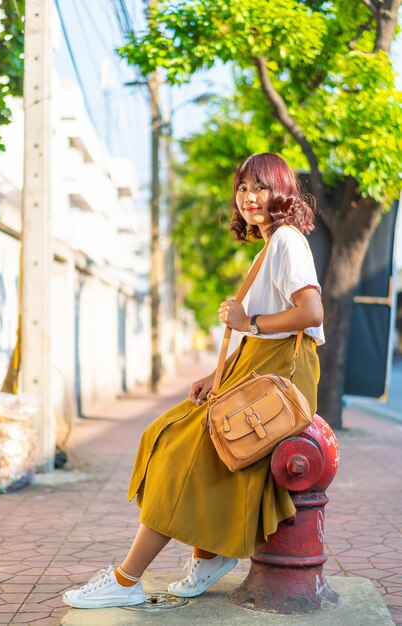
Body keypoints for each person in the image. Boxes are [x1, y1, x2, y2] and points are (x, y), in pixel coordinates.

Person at [63, 153, 325, 609]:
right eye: (242, 188)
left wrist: (251, 320)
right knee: (173, 439)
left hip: (278, 376)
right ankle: (208, 555)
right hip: (256, 368)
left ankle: (126, 581)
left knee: (183, 450)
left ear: (281, 190)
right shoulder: (269, 247)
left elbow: (311, 313)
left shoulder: (286, 240)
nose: (249, 198)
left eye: (260, 187)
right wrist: (215, 373)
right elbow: (258, 334)